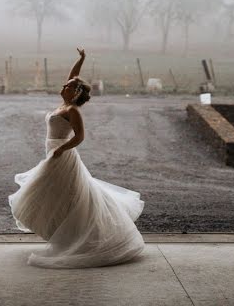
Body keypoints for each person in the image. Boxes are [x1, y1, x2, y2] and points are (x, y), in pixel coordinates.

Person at [8, 48, 146, 268]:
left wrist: (62, 150)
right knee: (58, 196)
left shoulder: (72, 110)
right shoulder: (63, 104)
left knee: (67, 196)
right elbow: (72, 77)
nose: (64, 86)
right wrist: (81, 60)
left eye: (68, 86)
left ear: (75, 93)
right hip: (53, 152)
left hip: (61, 155)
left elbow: (80, 136)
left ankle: (80, 236)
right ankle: (64, 234)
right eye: (65, 85)